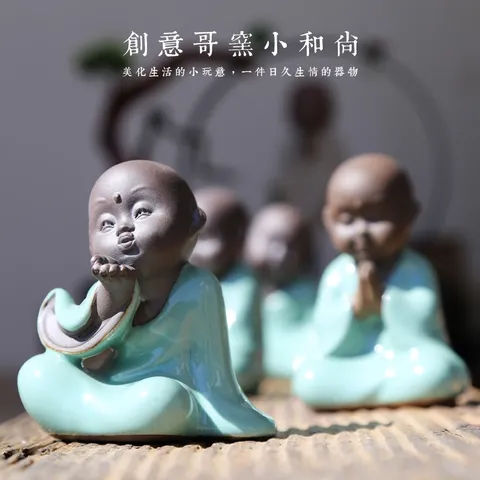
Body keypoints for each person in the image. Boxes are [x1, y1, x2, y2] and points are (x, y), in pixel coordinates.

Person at [18, 160, 276, 440]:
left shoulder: (198, 287)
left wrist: (224, 413)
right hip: (114, 388)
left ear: (193, 224)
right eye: (106, 223)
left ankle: (92, 419)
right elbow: (86, 351)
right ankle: (108, 420)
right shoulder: (106, 286)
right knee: (36, 373)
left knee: (165, 397)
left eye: (141, 212)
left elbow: (210, 371)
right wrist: (115, 296)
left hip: (164, 390)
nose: (123, 228)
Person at [292, 153, 470, 408]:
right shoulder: (337, 273)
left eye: (375, 217)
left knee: (439, 371)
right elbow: (324, 329)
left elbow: (423, 324)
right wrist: (355, 310)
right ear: (328, 221)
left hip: (405, 360)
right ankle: (391, 392)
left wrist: (385, 301)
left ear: (408, 216)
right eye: (347, 220)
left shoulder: (415, 269)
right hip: (351, 364)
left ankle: (362, 395)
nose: (361, 231)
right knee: (310, 378)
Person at [190, 187, 262, 393]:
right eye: (192, 238)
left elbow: (241, 343)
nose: (196, 250)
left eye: (206, 238)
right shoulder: (192, 280)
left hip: (235, 369)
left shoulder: (243, 283)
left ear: (238, 239)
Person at [244, 203, 317, 379]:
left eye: (292, 246)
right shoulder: (242, 288)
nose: (282, 254)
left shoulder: (306, 294)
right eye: (273, 242)